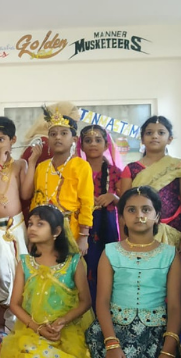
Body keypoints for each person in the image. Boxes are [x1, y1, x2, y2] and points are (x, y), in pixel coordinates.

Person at [86, 186, 181, 358]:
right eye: (131, 210)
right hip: (114, 333)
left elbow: (176, 306)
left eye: (146, 210)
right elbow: (102, 301)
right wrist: (112, 344)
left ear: (157, 216)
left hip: (156, 338)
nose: (139, 215)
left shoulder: (170, 254)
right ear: (121, 217)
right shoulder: (110, 252)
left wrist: (168, 352)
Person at [0, 205, 94, 358]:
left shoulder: (73, 262)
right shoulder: (25, 263)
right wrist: (37, 328)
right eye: (30, 223)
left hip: (65, 332)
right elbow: (15, 304)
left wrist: (62, 321)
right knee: (25, 353)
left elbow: (85, 301)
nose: (32, 228)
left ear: (56, 231)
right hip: (33, 332)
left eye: (40, 224)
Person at [0, 117, 39, 336]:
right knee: (0, 276)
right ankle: (3, 320)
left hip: (16, 226)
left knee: (19, 275)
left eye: (1, 139)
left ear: (13, 140)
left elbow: (26, 194)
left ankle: (7, 325)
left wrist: (32, 163)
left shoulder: (20, 165)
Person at [120, 116, 181, 253]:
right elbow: (124, 206)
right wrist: (124, 239)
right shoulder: (131, 169)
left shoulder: (179, 166)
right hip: (141, 228)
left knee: (174, 265)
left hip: (175, 228)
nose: (154, 136)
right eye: (149, 133)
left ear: (170, 139)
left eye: (161, 133)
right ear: (142, 139)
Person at [30, 107, 93, 254]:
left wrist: (83, 236)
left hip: (70, 229)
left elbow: (87, 203)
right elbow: (36, 200)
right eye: (53, 134)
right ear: (48, 140)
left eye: (64, 133)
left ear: (74, 140)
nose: (58, 137)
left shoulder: (81, 166)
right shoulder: (42, 167)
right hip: (42, 228)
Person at [77, 125, 123, 308]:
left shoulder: (115, 172)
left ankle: (105, 309)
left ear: (106, 145)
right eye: (88, 140)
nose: (93, 144)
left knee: (106, 267)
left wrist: (113, 197)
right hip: (82, 226)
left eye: (98, 140)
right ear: (81, 145)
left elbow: (128, 203)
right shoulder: (76, 171)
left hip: (107, 225)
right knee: (83, 268)